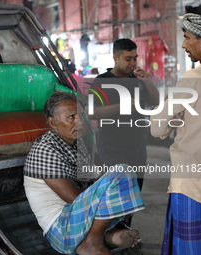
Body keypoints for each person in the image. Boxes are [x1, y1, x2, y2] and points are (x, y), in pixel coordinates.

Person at [24, 92, 145, 255]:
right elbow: (75, 200)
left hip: (79, 221)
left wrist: (122, 204)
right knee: (121, 173)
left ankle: (107, 235)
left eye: (81, 115)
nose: (80, 122)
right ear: (53, 122)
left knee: (123, 178)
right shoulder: (45, 150)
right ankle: (92, 242)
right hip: (62, 231)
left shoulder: (80, 145)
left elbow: (102, 177)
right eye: (71, 117)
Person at [150, 3, 201, 255]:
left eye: (187, 38)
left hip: (193, 186)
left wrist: (178, 120)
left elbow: (157, 128)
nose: (184, 45)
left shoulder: (194, 79)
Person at [90, 38, 159, 191]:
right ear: (115, 58)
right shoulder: (102, 81)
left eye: (135, 58)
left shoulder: (138, 80)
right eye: (128, 59)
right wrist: (121, 107)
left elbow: (156, 101)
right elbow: (91, 112)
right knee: (117, 192)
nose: (133, 63)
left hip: (137, 145)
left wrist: (147, 81)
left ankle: (129, 217)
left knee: (134, 192)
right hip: (112, 146)